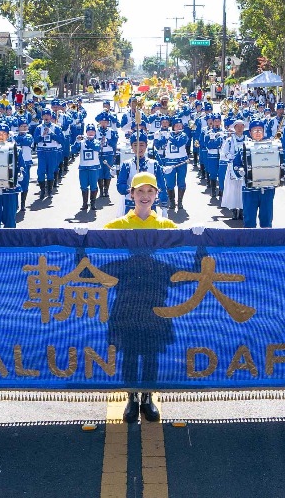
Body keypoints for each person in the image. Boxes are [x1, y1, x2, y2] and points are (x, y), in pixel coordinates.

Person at [104, 173, 175, 421]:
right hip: (127, 299)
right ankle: (131, 398)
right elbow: (96, 251)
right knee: (131, 352)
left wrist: (198, 238)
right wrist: (81, 238)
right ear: (131, 194)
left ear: (157, 195)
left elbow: (186, 259)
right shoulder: (118, 226)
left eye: (150, 192)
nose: (145, 197)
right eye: (140, 192)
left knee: (152, 352)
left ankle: (148, 397)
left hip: (155, 299)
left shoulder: (166, 227)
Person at [232, 120, 275, 228]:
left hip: (267, 188)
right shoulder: (244, 148)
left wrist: (283, 170)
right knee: (249, 219)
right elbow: (236, 164)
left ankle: (266, 243)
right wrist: (240, 171)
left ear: (264, 132)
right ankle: (250, 244)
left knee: (267, 219)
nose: (257, 132)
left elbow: (279, 162)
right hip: (249, 189)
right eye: (255, 130)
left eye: (260, 130)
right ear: (250, 133)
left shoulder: (272, 147)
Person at [72, 123, 102, 211]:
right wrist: (77, 141)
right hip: (83, 168)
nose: (91, 133)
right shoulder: (81, 143)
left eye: (92, 131)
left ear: (95, 133)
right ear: (86, 132)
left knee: (93, 186)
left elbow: (96, 148)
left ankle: (93, 203)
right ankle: (85, 204)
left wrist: (88, 141)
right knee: (83, 186)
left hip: (94, 168)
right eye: (89, 131)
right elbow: (73, 150)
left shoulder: (97, 141)